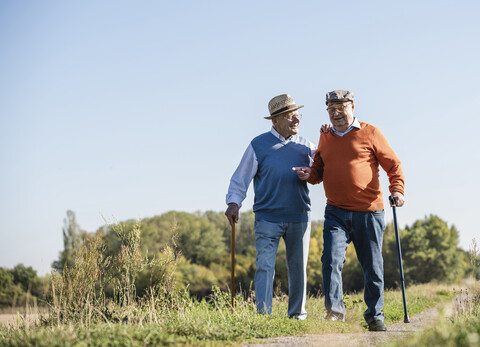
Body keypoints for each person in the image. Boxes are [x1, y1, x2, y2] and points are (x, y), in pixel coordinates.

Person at [294, 90, 405, 331]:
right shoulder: (326, 136)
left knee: (373, 266)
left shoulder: (371, 132)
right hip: (336, 212)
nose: (335, 113)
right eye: (331, 109)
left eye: (340, 107)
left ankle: (375, 315)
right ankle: (334, 314)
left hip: (369, 211)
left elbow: (393, 164)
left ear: (352, 106)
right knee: (330, 261)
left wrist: (397, 190)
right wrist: (309, 175)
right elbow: (319, 171)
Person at [225, 94, 316, 320]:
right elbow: (241, 178)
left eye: (297, 115)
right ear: (275, 121)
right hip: (267, 218)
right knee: (265, 266)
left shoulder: (307, 146)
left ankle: (297, 314)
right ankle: (263, 314)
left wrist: (312, 173)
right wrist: (234, 202)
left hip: (299, 216)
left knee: (298, 268)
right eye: (290, 116)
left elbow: (324, 171)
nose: (296, 119)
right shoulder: (259, 144)